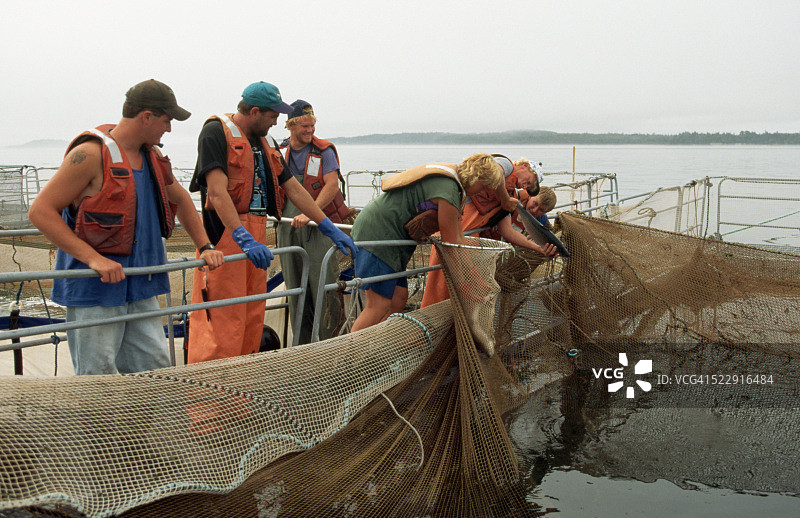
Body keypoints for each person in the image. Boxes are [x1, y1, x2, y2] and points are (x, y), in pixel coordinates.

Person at [27, 79, 225, 375]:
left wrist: (205, 245)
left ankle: (141, 423)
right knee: (98, 375)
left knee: (154, 367)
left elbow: (182, 199)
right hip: (94, 289)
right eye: (166, 120)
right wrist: (94, 258)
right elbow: (40, 211)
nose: (168, 129)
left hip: (142, 285)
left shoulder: (154, 157)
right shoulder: (91, 155)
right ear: (146, 117)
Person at [186, 82, 357, 363]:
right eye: (273, 115)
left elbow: (293, 188)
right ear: (254, 112)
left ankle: (243, 399)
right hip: (226, 239)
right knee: (222, 321)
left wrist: (327, 226)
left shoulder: (266, 143)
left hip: (256, 236)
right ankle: (212, 404)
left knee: (252, 316)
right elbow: (216, 193)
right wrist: (242, 237)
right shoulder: (215, 133)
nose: (277, 121)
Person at [349, 152, 506, 332]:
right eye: (485, 186)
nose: (484, 192)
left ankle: (376, 346)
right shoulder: (447, 191)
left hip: (392, 240)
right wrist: (466, 287)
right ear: (476, 177)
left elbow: (459, 240)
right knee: (379, 305)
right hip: (376, 234)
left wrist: (476, 279)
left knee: (398, 298)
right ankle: (348, 357)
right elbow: (451, 248)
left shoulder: (454, 187)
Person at [420, 156, 558, 308]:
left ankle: (452, 321)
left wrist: (539, 248)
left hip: (466, 241)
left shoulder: (511, 197)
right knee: (438, 284)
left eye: (528, 187)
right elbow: (495, 173)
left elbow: (508, 231)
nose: (526, 185)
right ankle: (431, 318)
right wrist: (505, 198)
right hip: (449, 231)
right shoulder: (507, 165)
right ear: (524, 166)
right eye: (530, 181)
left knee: (460, 289)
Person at [276, 100, 350, 344]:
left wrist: (311, 213)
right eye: (304, 127)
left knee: (324, 284)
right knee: (295, 285)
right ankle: (302, 344)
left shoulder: (324, 151)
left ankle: (332, 342)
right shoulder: (280, 151)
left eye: (312, 126)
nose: (309, 131)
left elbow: (331, 185)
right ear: (290, 126)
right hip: (287, 225)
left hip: (318, 226)